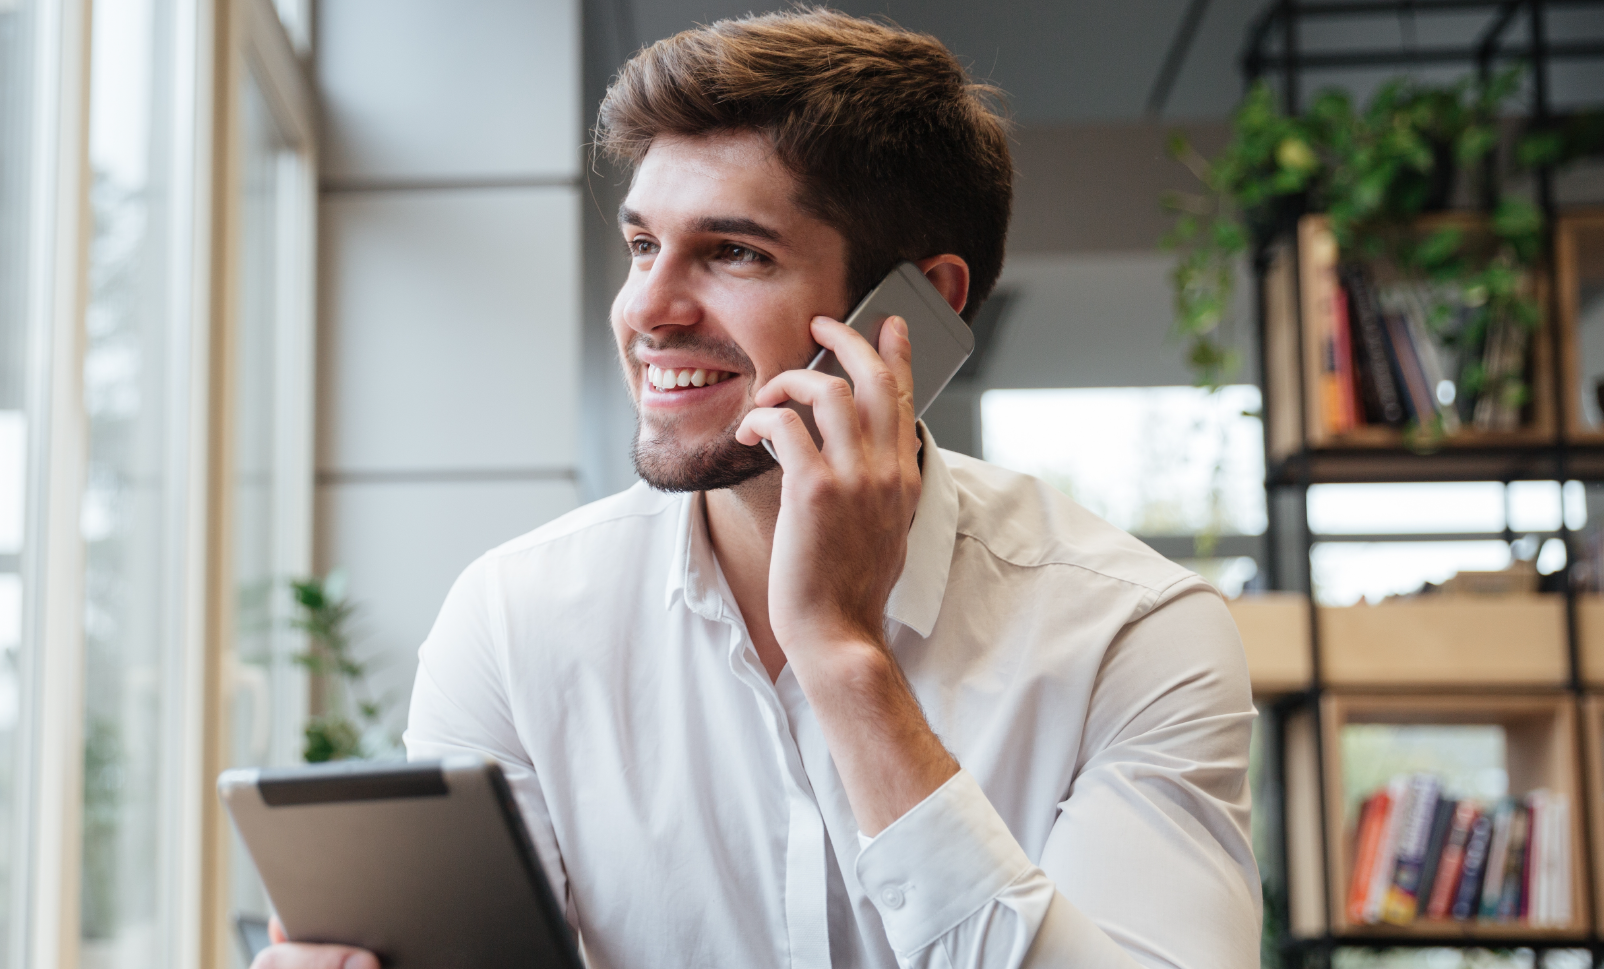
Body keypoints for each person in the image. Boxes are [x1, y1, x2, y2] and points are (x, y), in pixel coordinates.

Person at [258, 8, 1259, 968]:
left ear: (916, 307)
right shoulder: (516, 619)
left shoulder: (1135, 636)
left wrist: (843, 660)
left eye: (733, 252)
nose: (646, 310)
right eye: (643, 245)